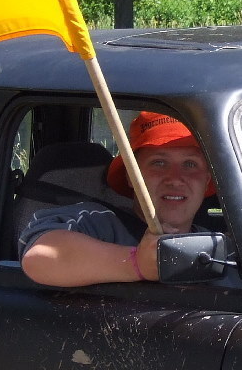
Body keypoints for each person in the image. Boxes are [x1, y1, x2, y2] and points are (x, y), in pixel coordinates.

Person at [19, 112, 214, 287]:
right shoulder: (97, 222)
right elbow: (39, 257)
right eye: (159, 163)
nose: (175, 179)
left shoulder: (217, 245)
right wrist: (136, 263)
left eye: (190, 164)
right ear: (131, 175)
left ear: (207, 179)